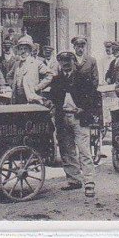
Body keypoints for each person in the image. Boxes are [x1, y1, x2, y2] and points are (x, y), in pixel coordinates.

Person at [48, 50, 101, 197]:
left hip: (79, 118)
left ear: (73, 62)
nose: (65, 64)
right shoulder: (57, 80)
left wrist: (83, 109)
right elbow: (53, 97)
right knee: (66, 150)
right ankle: (74, 180)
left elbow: (93, 97)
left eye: (68, 61)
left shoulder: (83, 78)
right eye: (62, 61)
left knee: (84, 150)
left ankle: (89, 182)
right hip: (62, 118)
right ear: (59, 63)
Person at [11, 34, 48, 104]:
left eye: (25, 49)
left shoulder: (36, 63)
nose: (23, 51)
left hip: (32, 97)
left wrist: (38, 87)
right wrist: (12, 85)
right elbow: (9, 76)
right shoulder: (16, 64)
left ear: (30, 50)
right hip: (17, 98)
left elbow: (50, 75)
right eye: (21, 49)